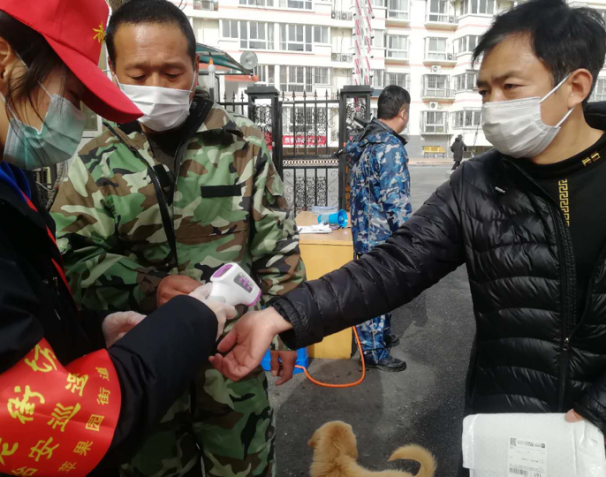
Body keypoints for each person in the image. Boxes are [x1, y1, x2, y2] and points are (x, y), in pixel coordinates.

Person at [209, 1, 606, 474]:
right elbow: (394, 265)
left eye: (510, 87)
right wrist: (280, 315)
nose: (493, 105)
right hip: (507, 432)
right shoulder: (478, 184)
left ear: (575, 86)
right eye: (484, 90)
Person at [0, 0, 237, 476]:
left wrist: (92, 331)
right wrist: (193, 318)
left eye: (172, 72)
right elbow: (38, 423)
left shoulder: (1, 184)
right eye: (72, 95)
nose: (74, 117)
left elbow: (20, 320)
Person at [50, 1, 305, 475]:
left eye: (172, 72)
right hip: (145, 372)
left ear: (195, 67)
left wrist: (290, 331)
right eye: (138, 74)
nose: (157, 87)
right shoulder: (96, 160)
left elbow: (277, 244)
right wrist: (149, 286)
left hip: (233, 361)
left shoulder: (241, 143)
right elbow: (72, 259)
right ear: (114, 72)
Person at [348, 85, 411, 372]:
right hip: (381, 235)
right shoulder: (389, 146)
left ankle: (380, 337)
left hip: (364, 231)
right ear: (403, 112)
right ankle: (372, 350)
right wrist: (409, 238)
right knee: (378, 291)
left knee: (378, 289)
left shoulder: (367, 141)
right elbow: (395, 200)